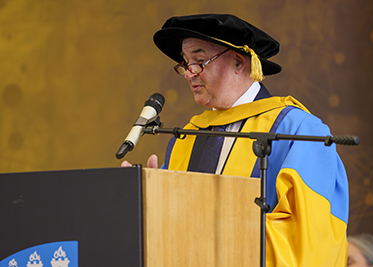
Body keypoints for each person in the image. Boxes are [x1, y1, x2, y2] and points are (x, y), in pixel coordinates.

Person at [122, 14, 349, 266]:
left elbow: (307, 239)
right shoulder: (187, 136)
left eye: (199, 61)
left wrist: (211, 231)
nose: (189, 74)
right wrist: (150, 199)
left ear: (239, 63)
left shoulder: (300, 131)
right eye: (185, 63)